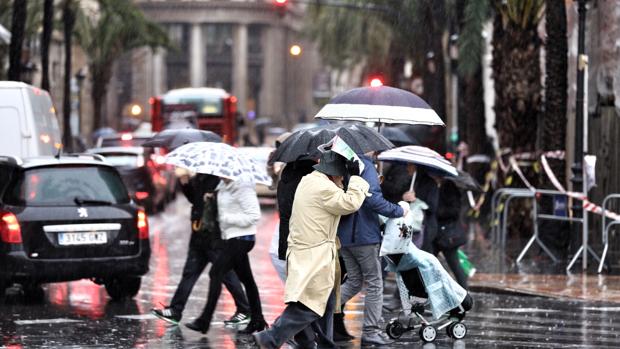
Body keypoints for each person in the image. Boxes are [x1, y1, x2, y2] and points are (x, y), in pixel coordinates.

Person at [254, 151, 369, 349]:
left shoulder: (311, 180)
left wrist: (343, 179)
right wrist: (357, 179)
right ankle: (270, 337)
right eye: (341, 174)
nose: (342, 177)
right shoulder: (322, 187)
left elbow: (336, 199)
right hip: (314, 254)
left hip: (312, 252)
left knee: (325, 302)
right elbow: (350, 203)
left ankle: (321, 343)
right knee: (310, 305)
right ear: (333, 172)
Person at [151, 173, 250, 326]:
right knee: (189, 273)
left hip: (214, 236)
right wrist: (185, 184)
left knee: (226, 274)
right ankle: (176, 310)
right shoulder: (200, 176)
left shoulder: (220, 179)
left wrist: (213, 198)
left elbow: (228, 204)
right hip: (198, 234)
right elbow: (194, 199)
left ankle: (244, 310)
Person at [335, 154, 408, 345]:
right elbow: (373, 200)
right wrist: (399, 210)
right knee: (375, 283)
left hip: (344, 235)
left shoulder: (342, 163)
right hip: (364, 234)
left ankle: (317, 311)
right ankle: (370, 330)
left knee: (354, 282)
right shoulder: (365, 165)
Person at [185, 175, 267, 334]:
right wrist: (211, 199)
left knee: (216, 273)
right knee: (247, 280)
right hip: (230, 238)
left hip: (242, 239)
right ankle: (257, 320)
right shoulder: (223, 185)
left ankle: (204, 321)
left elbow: (254, 215)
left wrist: (227, 218)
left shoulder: (243, 187)